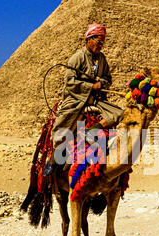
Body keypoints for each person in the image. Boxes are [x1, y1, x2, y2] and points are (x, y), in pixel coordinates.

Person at [44, 23, 124, 174]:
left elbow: (108, 78)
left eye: (103, 42)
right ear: (89, 39)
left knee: (119, 113)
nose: (101, 45)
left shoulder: (102, 59)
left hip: (96, 100)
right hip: (76, 98)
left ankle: (94, 130)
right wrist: (90, 86)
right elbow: (69, 82)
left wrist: (101, 82)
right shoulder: (77, 58)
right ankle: (53, 161)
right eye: (98, 41)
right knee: (64, 126)